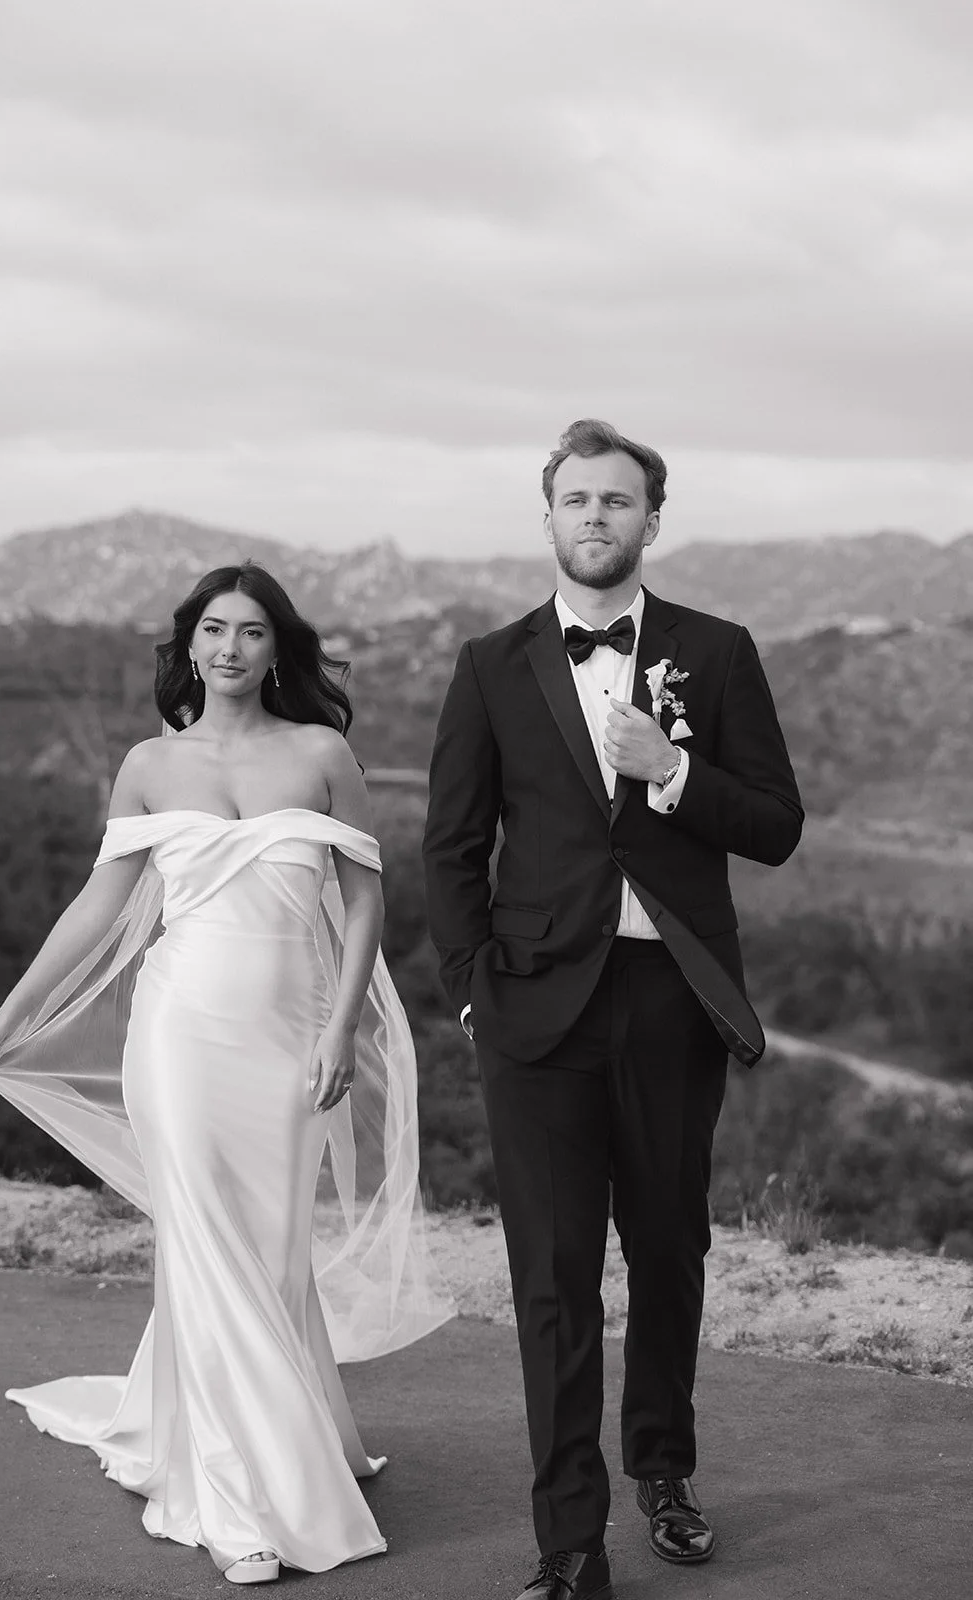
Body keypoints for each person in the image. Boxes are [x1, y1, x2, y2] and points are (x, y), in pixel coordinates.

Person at [0, 562, 450, 1585]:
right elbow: (100, 907)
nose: (231, 648)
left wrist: (340, 1025)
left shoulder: (323, 754)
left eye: (253, 631)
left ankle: (289, 1429)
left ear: (279, 649)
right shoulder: (148, 764)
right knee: (211, 1249)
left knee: (267, 1254)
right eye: (215, 629)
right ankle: (236, 1506)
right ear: (190, 644)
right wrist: (11, 1012)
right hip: (176, 1034)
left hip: (285, 1035)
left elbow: (365, 904)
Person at [422, 419, 803, 1600]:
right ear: (549, 517)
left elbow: (778, 827)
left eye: (619, 500)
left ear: (652, 519)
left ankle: (665, 1472)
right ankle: (569, 1541)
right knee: (551, 1275)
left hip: (669, 1002)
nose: (597, 517)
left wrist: (672, 772)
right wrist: (474, 989)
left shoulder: (720, 650)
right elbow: (450, 843)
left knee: (671, 1252)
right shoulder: (491, 663)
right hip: (534, 1012)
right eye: (577, 499)